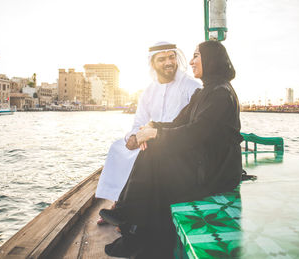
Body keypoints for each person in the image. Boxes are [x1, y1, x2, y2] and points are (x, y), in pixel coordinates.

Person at [100, 41, 243, 258]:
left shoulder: (220, 94)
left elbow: (195, 132)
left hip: (215, 172)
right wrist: (153, 127)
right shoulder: (205, 92)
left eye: (197, 56)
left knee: (155, 155)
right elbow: (179, 122)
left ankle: (130, 218)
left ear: (211, 60)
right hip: (202, 161)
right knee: (152, 153)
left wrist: (156, 135)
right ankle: (133, 225)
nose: (192, 61)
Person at [95, 42, 201, 223]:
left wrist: (153, 134)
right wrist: (134, 137)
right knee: (119, 148)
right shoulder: (148, 92)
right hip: (148, 138)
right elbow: (138, 122)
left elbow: (193, 125)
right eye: (162, 59)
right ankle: (120, 202)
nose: (169, 62)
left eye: (171, 57)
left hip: (173, 141)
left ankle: (127, 211)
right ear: (152, 64)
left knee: (147, 153)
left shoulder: (191, 86)